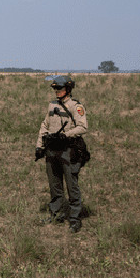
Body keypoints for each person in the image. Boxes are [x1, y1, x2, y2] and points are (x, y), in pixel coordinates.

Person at [34, 75, 90, 233]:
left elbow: (83, 127)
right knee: (54, 185)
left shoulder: (75, 106)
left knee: (72, 186)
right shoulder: (51, 105)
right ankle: (56, 214)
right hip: (51, 150)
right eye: (54, 88)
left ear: (68, 89)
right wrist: (39, 146)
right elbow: (44, 125)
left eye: (59, 88)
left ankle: (74, 219)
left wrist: (66, 135)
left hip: (68, 150)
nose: (56, 91)